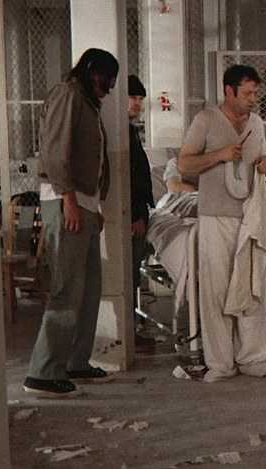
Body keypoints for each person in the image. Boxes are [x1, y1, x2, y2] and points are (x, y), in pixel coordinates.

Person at [24, 48, 119, 398]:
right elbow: (54, 150)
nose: (109, 88)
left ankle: (76, 362)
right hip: (67, 201)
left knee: (89, 288)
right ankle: (43, 373)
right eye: (106, 79)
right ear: (91, 70)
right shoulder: (68, 95)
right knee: (66, 287)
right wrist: (69, 200)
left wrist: (93, 206)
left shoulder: (87, 102)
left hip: (83, 203)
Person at [177, 64, 266, 383]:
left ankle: (253, 357)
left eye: (255, 93)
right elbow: (184, 164)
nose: (253, 99)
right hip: (215, 216)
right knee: (216, 291)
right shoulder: (205, 120)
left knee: (252, 287)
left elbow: (264, 157)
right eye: (247, 93)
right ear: (228, 90)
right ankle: (220, 362)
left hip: (250, 216)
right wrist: (218, 155)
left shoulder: (256, 123)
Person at [126, 75, 157, 354]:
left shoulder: (129, 130)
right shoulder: (122, 132)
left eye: (140, 99)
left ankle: (132, 328)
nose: (137, 103)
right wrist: (136, 214)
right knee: (129, 275)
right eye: (133, 98)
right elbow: (129, 176)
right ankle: (129, 332)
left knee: (133, 273)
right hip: (132, 215)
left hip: (138, 212)